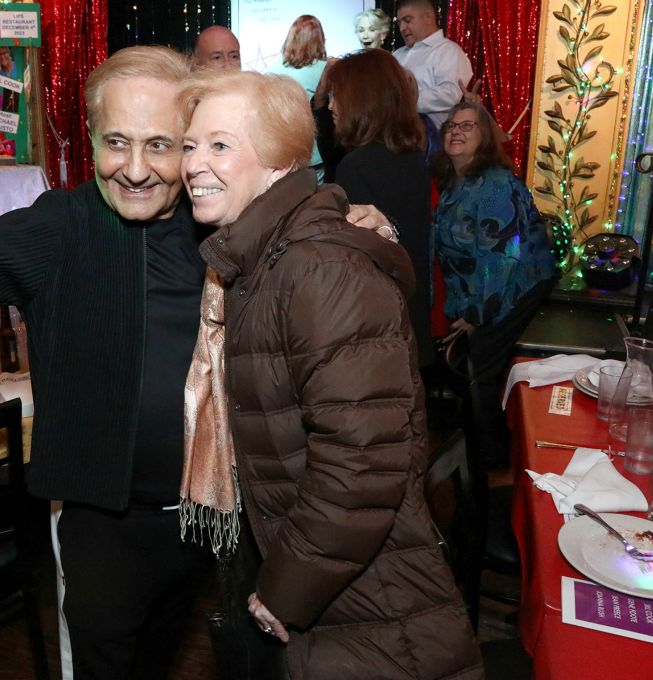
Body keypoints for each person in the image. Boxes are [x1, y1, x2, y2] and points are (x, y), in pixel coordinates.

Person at [0, 45, 396, 679]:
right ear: (90, 137)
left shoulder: (218, 219)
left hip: (224, 519)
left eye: (162, 145)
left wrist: (349, 219)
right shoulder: (65, 226)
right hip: (106, 530)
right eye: (116, 142)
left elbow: (294, 218)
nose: (136, 169)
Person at [178, 68, 482, 680]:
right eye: (189, 144)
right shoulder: (262, 257)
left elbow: (361, 464)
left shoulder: (316, 268)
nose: (192, 164)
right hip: (339, 583)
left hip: (365, 599)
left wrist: (287, 589)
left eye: (219, 144)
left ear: (280, 158)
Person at [432, 102, 558, 469]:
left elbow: (502, 259)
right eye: (451, 125)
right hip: (484, 290)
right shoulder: (456, 182)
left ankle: (494, 467)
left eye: (467, 126)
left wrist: (475, 315)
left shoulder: (494, 187)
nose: (456, 131)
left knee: (479, 372)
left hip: (517, 285)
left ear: (485, 137)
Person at [324, 49, 434, 368]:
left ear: (361, 99)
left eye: (336, 95)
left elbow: (357, 268)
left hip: (378, 329)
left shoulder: (357, 166)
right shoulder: (411, 157)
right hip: (409, 316)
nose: (331, 105)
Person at [264, 15, 328, 176]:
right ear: (319, 39)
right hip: (313, 153)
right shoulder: (325, 69)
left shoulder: (273, 67)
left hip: (280, 151)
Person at [393, 0, 472, 128]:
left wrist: (402, 101)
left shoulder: (448, 51)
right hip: (393, 138)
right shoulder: (397, 54)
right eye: (399, 23)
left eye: (407, 20)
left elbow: (449, 95)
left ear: (428, 17)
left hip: (432, 141)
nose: (402, 28)